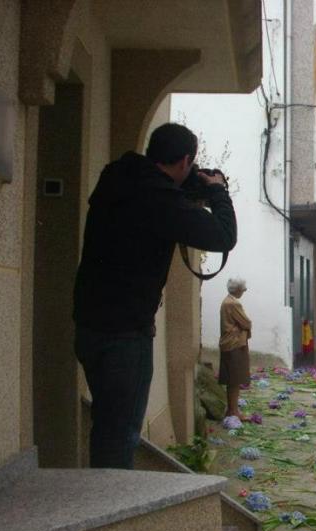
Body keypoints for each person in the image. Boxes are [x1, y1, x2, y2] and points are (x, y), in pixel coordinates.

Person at [73, 122, 236, 469]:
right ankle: (111, 499)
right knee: (120, 437)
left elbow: (157, 192)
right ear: (186, 160)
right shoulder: (160, 200)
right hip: (125, 334)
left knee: (106, 423)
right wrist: (218, 191)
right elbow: (223, 235)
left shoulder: (118, 177)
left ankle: (99, 491)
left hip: (89, 325)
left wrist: (188, 184)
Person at [219, 278, 252, 419]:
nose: (244, 290)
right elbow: (246, 322)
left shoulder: (227, 301)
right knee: (235, 380)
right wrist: (245, 328)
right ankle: (234, 411)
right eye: (243, 288)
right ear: (237, 289)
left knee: (232, 380)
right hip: (234, 343)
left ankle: (232, 410)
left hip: (228, 343)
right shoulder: (233, 303)